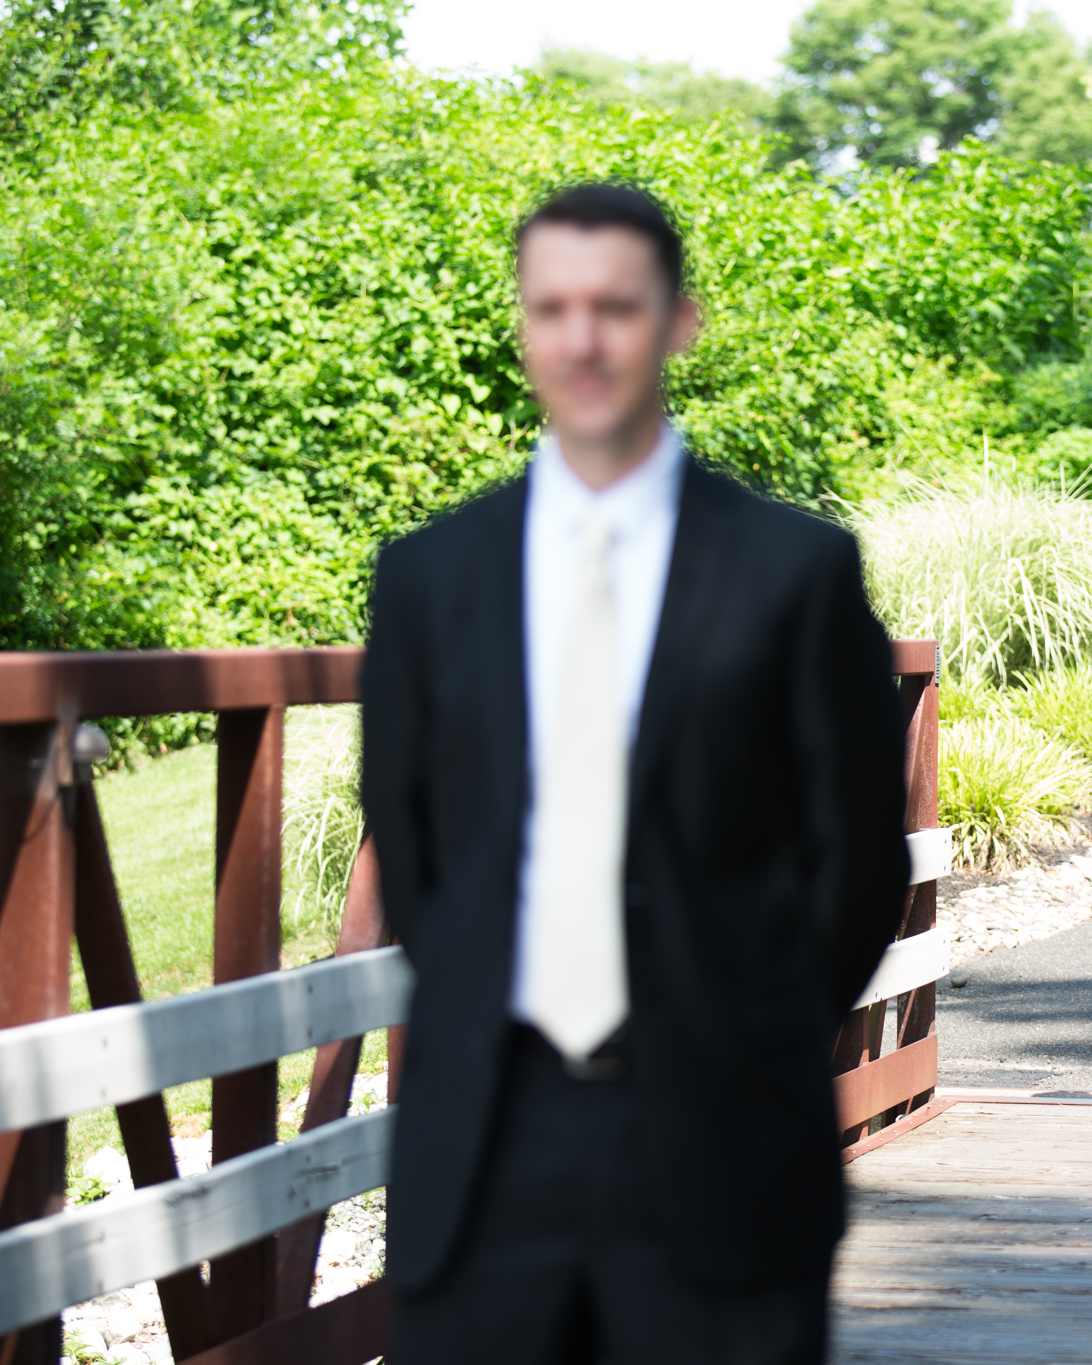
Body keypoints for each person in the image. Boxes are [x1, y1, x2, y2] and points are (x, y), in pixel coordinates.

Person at [361, 183, 909, 1362]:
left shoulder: (795, 572)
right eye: (552, 307)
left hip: (725, 1143)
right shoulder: (426, 579)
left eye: (615, 307)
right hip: (484, 1153)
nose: (582, 338)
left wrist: (746, 1031)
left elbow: (855, 861)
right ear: (522, 327)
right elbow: (413, 858)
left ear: (679, 323)